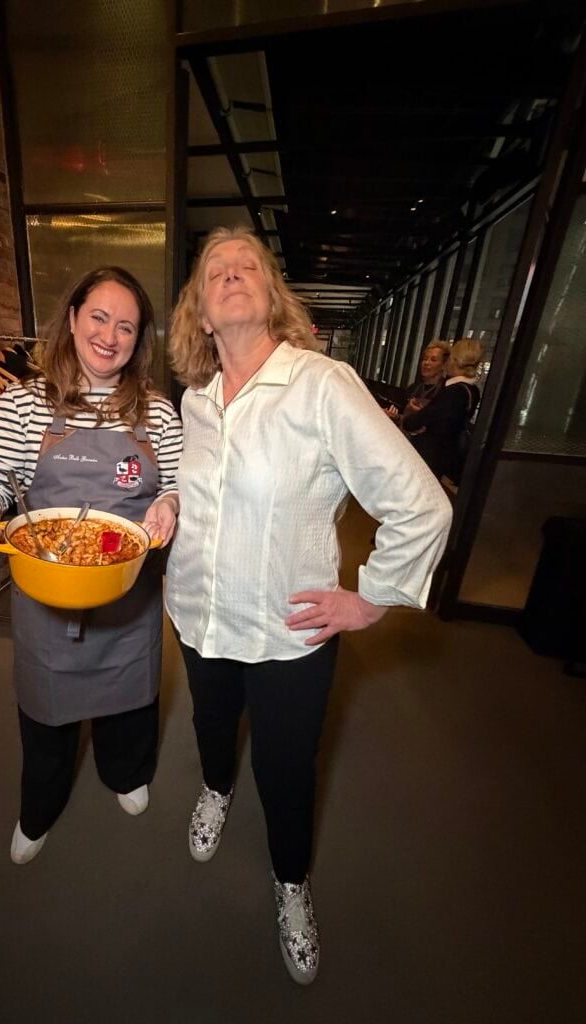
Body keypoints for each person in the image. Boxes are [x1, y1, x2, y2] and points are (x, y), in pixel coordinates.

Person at [165, 227, 452, 985]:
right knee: (210, 724)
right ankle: (216, 791)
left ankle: (291, 882)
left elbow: (421, 505)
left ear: (272, 294)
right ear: (198, 311)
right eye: (214, 269)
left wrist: (373, 598)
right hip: (199, 616)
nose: (231, 274)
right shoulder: (193, 402)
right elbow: (186, 497)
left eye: (247, 265)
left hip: (289, 632)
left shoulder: (321, 384)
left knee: (288, 770)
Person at [0, 267, 182, 865]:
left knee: (130, 698)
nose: (110, 335)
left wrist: (170, 501)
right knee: (45, 711)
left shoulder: (157, 411)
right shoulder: (23, 402)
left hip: (129, 593)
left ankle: (125, 773)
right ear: (74, 319)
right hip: (48, 584)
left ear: (140, 341)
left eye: (127, 326)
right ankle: (40, 807)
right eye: (99, 317)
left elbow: (180, 484)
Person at [404, 338, 482, 483]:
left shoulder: (453, 391)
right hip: (444, 457)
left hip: (429, 457)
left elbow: (413, 423)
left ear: (454, 360)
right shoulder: (472, 390)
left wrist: (416, 417)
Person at [385, 340, 450, 425]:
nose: (426, 363)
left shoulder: (446, 391)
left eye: (433, 360)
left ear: (443, 365)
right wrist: (396, 417)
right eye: (425, 359)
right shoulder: (413, 388)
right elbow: (405, 419)